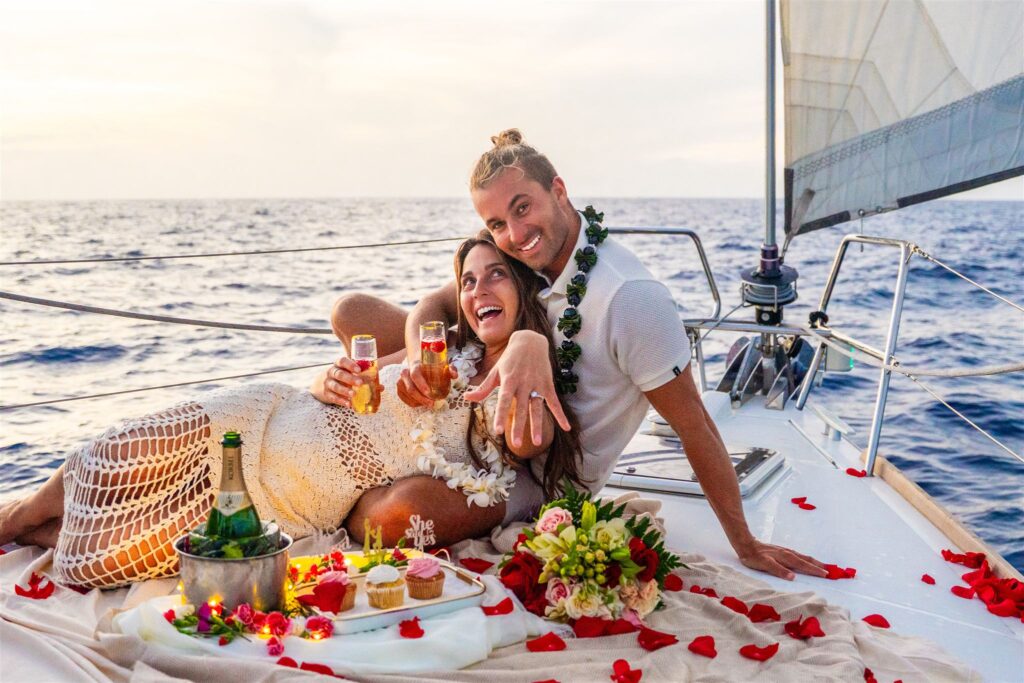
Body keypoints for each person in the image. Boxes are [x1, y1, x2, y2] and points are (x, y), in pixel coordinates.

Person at [320, 129, 827, 581]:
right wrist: (416, 357)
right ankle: (385, 444)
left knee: (395, 517)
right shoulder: (518, 257)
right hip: (475, 400)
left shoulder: (630, 299)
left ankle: (357, 478)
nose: (514, 235)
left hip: (536, 472)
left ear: (558, 191)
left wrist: (746, 543)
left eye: (523, 208)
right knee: (353, 312)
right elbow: (439, 301)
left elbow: (696, 424)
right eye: (496, 223)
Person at [0, 234, 584, 588]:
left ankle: (28, 528)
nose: (480, 289)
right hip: (262, 418)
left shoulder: (518, 392)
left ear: (524, 291)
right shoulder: (437, 343)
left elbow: (526, 444)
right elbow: (349, 309)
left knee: (103, 551)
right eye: (468, 281)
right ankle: (16, 517)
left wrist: (529, 346)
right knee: (109, 459)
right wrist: (353, 368)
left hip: (289, 498)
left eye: (497, 275)